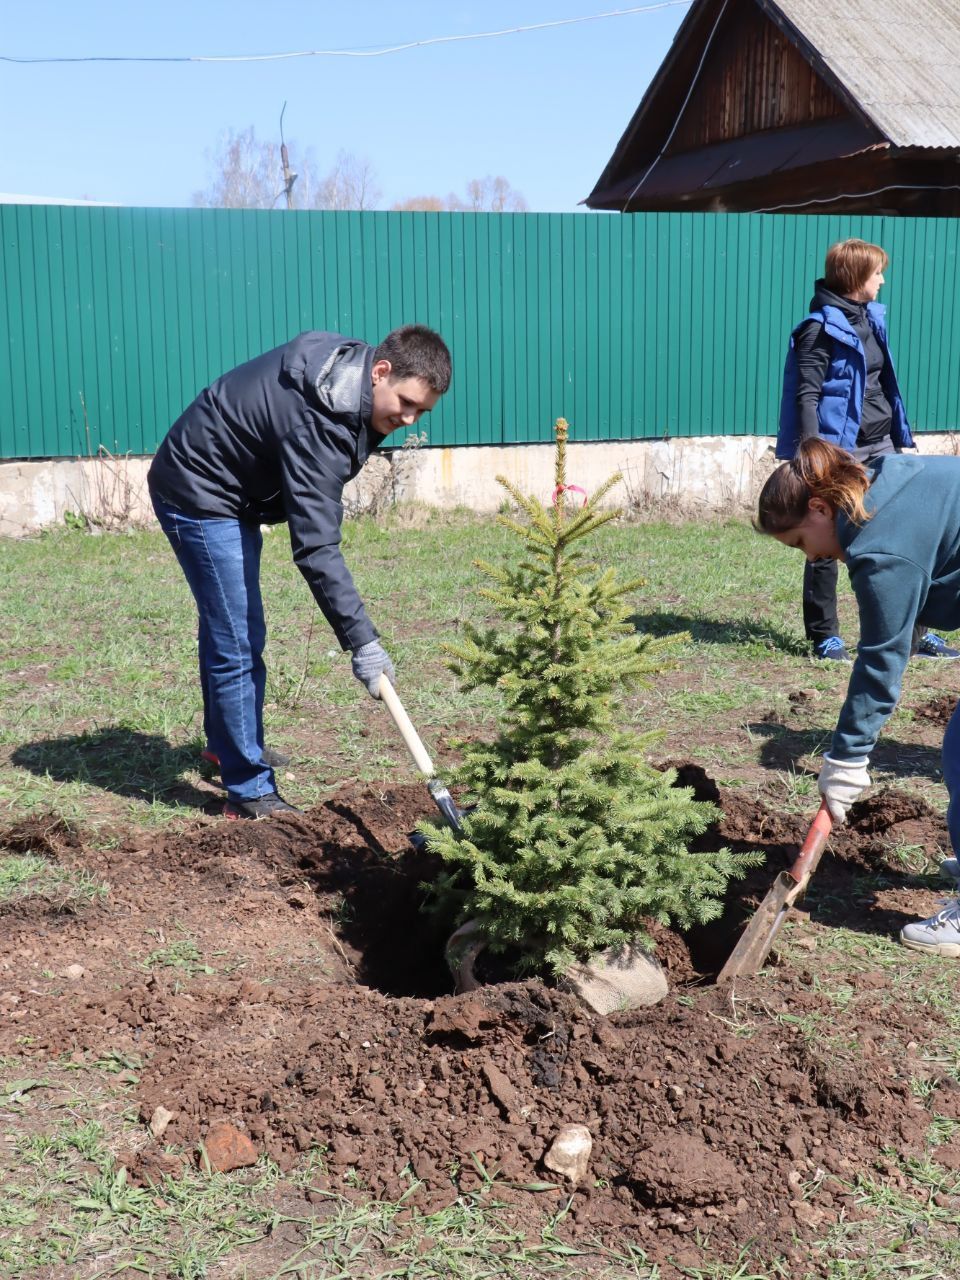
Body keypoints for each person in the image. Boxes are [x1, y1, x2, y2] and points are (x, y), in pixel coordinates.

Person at [148, 324, 452, 819]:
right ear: (380, 372)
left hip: (235, 489)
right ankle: (247, 791)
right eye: (406, 402)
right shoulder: (321, 420)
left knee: (230, 626)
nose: (411, 418)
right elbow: (315, 547)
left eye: (422, 411)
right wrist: (363, 643)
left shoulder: (349, 384)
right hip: (197, 487)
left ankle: (226, 745)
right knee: (238, 635)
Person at [756, 437, 960, 955]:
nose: (815, 556)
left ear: (820, 508)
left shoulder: (878, 544)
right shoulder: (879, 484)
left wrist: (846, 758)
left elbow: (880, 660)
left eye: (802, 542)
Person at [776, 237, 958, 664]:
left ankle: (918, 630)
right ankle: (826, 635)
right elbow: (806, 395)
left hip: (882, 443)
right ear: (858, 277)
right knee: (827, 534)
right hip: (839, 452)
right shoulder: (818, 329)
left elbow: (878, 383)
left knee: (910, 534)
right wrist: (811, 458)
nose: (882, 280)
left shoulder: (872, 319)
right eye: (877, 272)